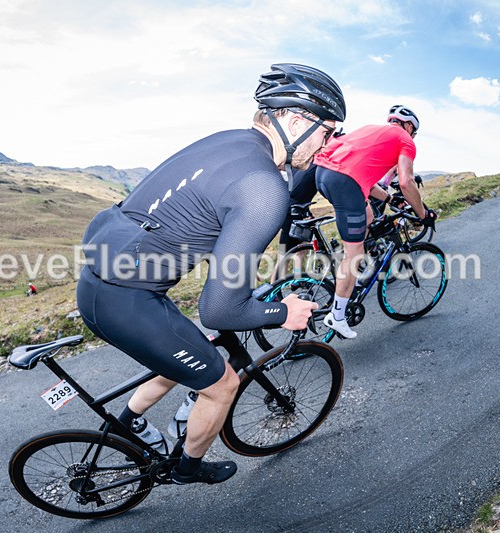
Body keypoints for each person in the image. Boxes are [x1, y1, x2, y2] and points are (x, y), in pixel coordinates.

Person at [77, 63, 345, 485]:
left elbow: (191, 221)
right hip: (127, 301)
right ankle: (188, 467)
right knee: (221, 384)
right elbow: (221, 309)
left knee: (192, 345)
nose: (327, 145)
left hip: (101, 282)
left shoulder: (229, 142)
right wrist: (283, 312)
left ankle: (130, 419)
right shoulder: (264, 187)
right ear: (296, 120)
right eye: (328, 132)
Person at [313, 104, 436, 339]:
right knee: (354, 254)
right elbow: (407, 182)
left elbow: (364, 180)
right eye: (414, 132)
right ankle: (337, 315)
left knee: (369, 215)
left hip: (323, 174)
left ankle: (352, 267)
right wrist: (423, 214)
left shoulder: (371, 129)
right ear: (409, 126)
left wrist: (390, 199)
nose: (412, 136)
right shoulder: (405, 140)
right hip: (344, 182)